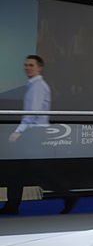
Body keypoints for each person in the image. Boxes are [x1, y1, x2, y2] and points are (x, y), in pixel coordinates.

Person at [1, 55, 52, 215]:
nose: (27, 68)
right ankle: (12, 205)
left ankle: (67, 193)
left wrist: (18, 132)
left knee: (32, 169)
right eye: (26, 65)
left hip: (34, 132)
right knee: (18, 170)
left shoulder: (38, 86)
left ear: (39, 67)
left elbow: (32, 113)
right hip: (33, 131)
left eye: (31, 65)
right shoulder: (34, 85)